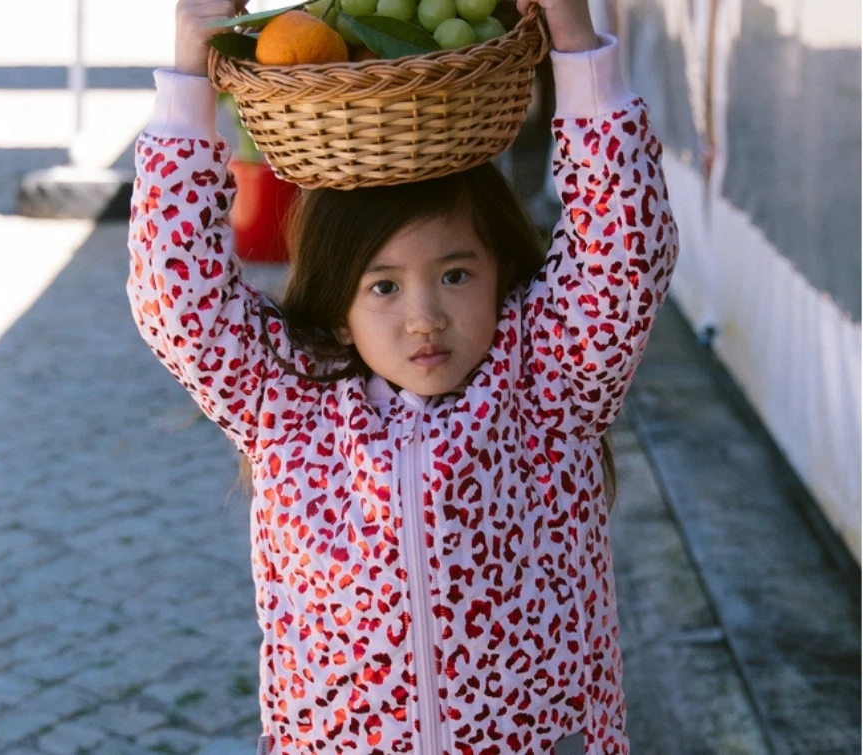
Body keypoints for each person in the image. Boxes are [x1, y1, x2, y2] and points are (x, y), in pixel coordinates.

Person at [126, 0, 678, 751]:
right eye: (383, 286)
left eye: (455, 275)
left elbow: (626, 253)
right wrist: (190, 80)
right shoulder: (286, 402)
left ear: (500, 274)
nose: (424, 318)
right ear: (338, 306)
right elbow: (175, 294)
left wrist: (576, 47)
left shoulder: (547, 383)